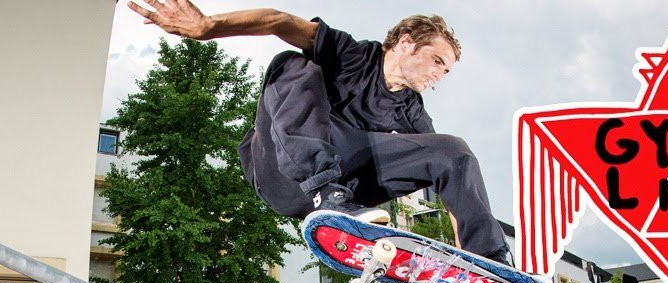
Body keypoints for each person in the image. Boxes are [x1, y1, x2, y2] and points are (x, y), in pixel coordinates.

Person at [126, 0, 514, 266]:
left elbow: (451, 182)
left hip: (346, 189)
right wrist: (207, 27)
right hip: (281, 171)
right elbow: (280, 21)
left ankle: (492, 260)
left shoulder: (412, 111)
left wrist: (472, 262)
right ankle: (325, 191)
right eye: (436, 61)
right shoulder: (351, 54)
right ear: (406, 44)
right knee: (293, 63)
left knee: (452, 150)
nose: (439, 75)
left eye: (446, 71)